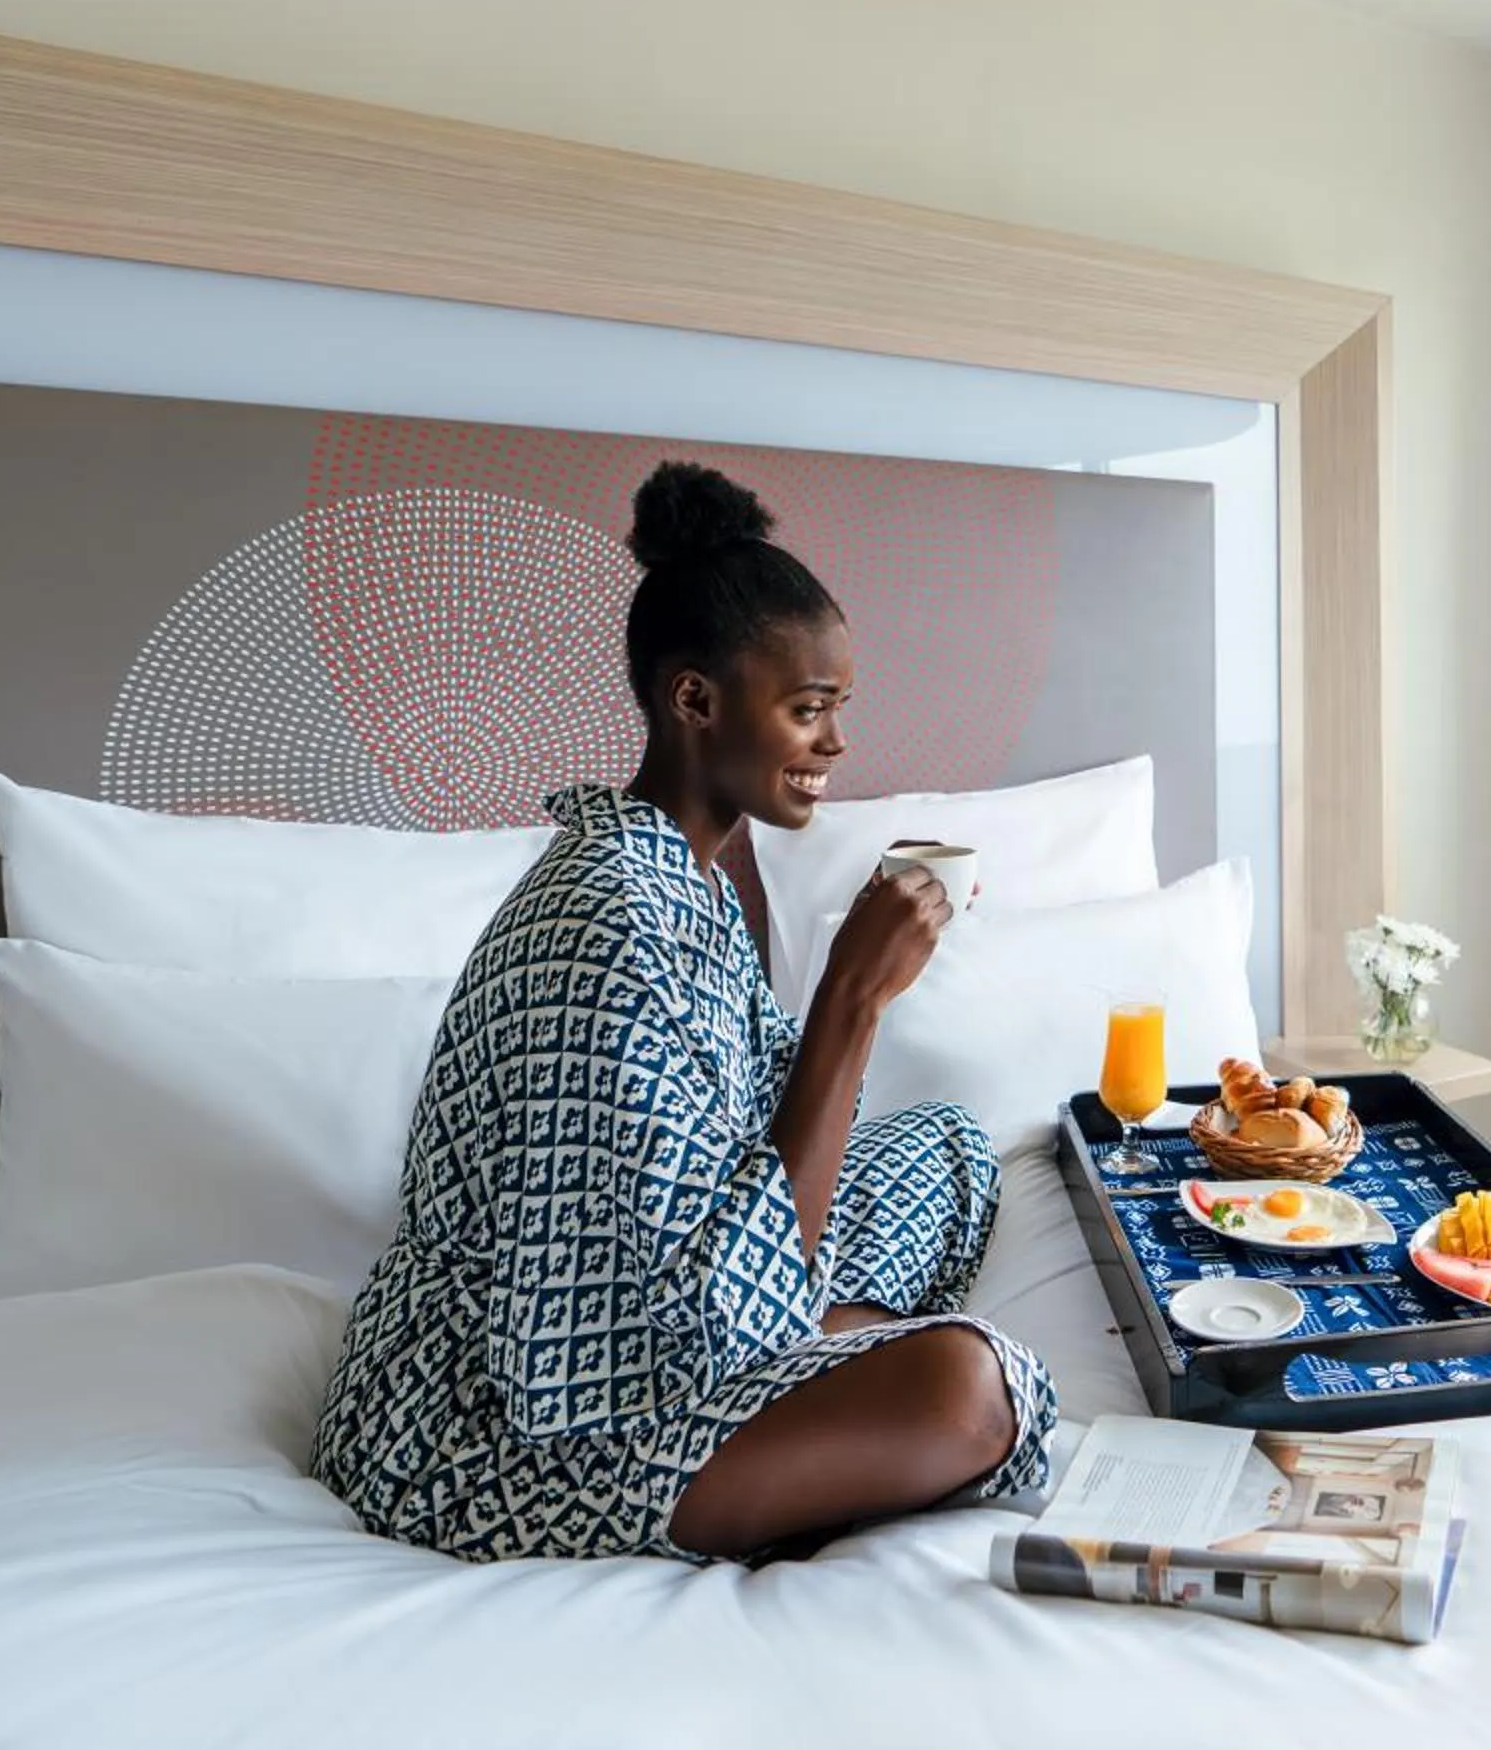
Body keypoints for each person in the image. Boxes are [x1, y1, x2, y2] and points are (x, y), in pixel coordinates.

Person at [311, 461, 1056, 1563]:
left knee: (947, 1147)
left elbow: (752, 1132)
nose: (835, 743)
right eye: (809, 709)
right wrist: (854, 993)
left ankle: (826, 1363)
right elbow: (683, 1329)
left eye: (838, 707)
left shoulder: (687, 876)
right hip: (509, 1414)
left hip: (688, 1290)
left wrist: (863, 979)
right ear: (695, 700)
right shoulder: (605, 928)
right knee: (965, 1388)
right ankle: (829, 1393)